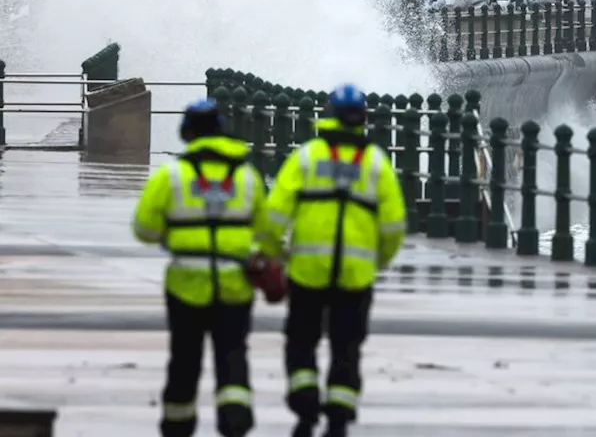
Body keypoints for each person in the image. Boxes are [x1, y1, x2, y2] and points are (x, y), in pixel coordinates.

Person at [259, 84, 407, 437]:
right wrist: (378, 260)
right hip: (356, 276)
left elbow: (274, 215)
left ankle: (306, 408)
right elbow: (394, 225)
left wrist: (276, 254)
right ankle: (339, 418)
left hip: (307, 272)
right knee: (347, 347)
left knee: (301, 343)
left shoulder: (308, 157)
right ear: (363, 119)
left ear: (328, 115)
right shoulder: (376, 163)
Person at [132, 100, 271, 437]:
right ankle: (235, 422)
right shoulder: (247, 176)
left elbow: (144, 228)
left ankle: (178, 426)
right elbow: (266, 232)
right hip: (235, 285)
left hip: (185, 285)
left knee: (184, 359)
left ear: (187, 132)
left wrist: (172, 233)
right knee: (232, 356)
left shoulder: (172, 175)